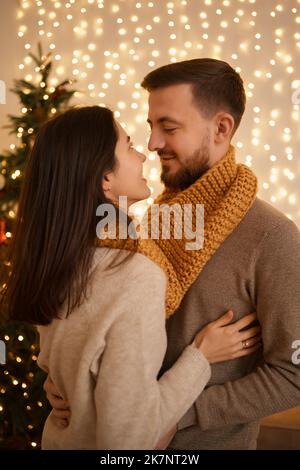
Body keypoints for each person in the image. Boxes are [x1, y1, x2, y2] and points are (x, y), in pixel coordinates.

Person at [47, 58, 300, 450]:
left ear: (221, 128)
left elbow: (294, 373)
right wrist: (71, 383)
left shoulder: (273, 237)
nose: (152, 144)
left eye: (169, 127)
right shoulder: (152, 222)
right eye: (150, 127)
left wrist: (180, 414)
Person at [3, 105, 261, 450]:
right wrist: (201, 356)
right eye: (127, 145)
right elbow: (128, 438)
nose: (143, 153)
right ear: (104, 178)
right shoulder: (135, 274)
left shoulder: (60, 260)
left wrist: (65, 383)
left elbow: (69, 358)